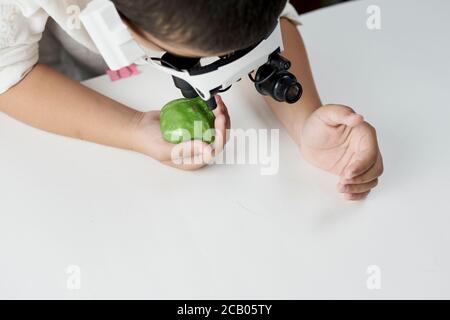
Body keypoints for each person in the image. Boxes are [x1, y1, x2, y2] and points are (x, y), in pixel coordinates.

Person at [0, 0, 383, 200]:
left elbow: (266, 20)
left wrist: (305, 118)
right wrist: (132, 129)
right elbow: (9, 73)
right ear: (111, 21)